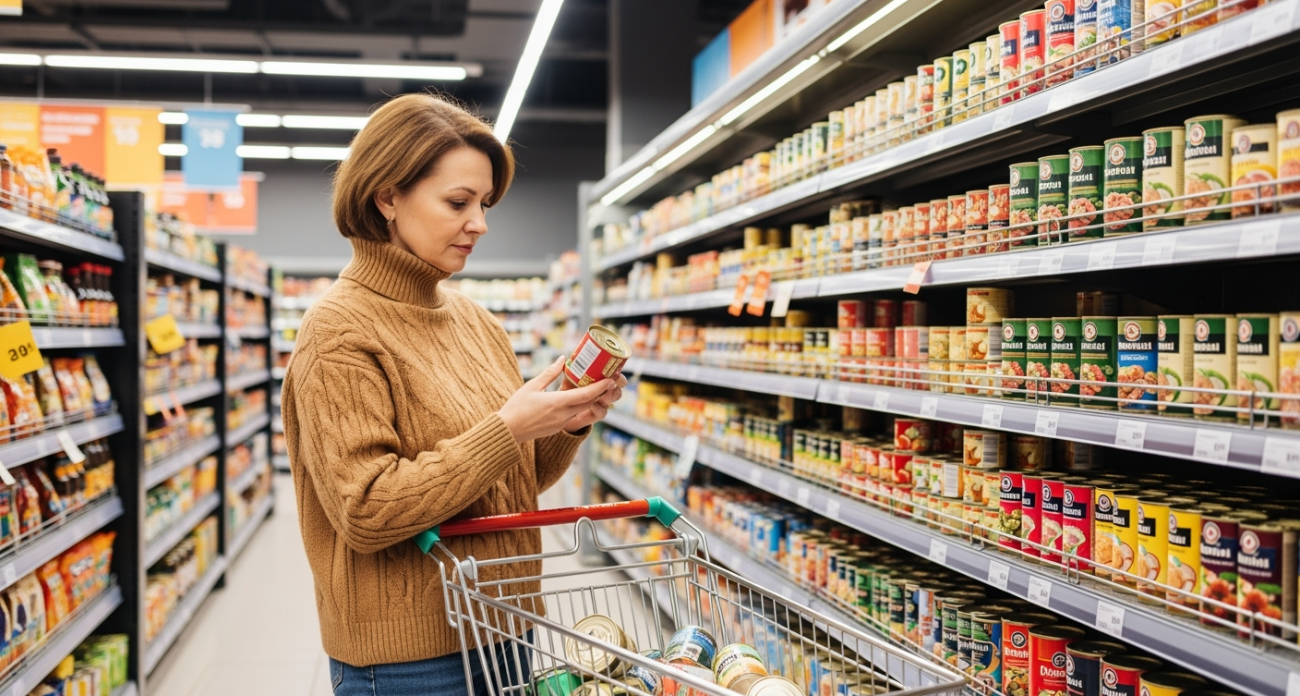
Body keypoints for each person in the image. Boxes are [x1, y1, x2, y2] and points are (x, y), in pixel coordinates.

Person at [281, 93, 625, 696]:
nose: (481, 224)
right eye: (458, 202)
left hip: (509, 628)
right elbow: (365, 511)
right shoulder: (337, 332)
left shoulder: (476, 322)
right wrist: (508, 428)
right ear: (387, 196)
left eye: (485, 203)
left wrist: (567, 421)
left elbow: (510, 481)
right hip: (413, 659)